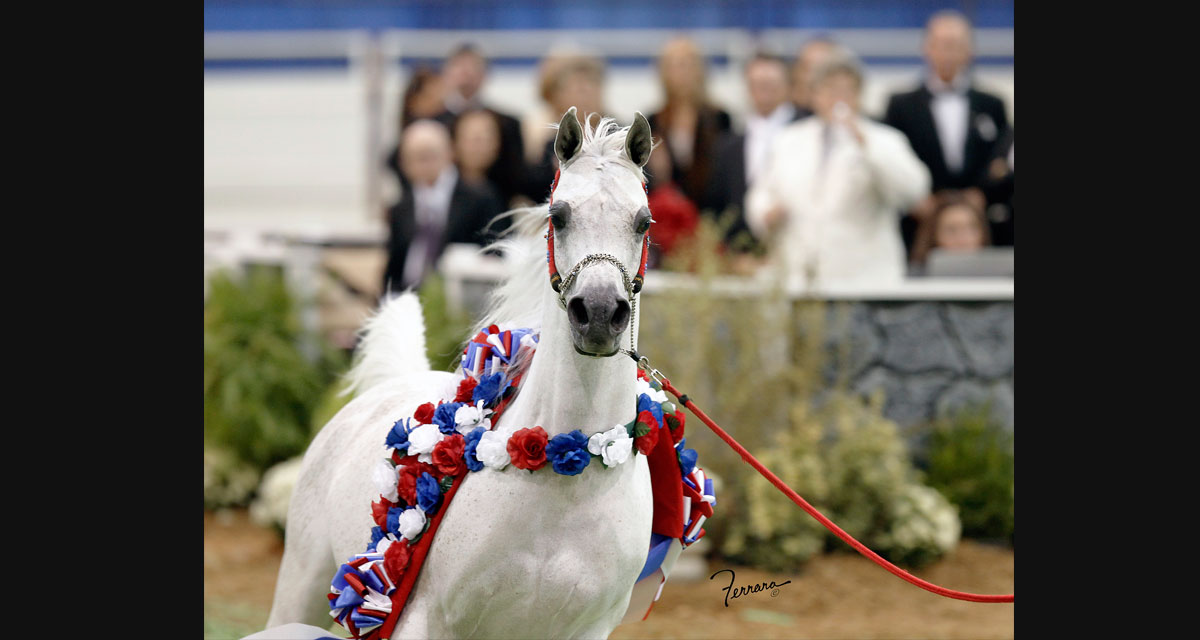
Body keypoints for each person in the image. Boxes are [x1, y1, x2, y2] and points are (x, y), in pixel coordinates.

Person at [745, 48, 931, 288]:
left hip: (863, 282)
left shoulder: (883, 139)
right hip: (800, 280)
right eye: (829, 89)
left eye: (846, 90)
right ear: (814, 95)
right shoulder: (788, 139)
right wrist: (765, 213)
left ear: (859, 94)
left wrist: (865, 143)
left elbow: (914, 190)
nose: (837, 97)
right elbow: (761, 194)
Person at [883, 10, 1010, 255]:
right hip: (917, 227)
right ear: (926, 48)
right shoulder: (900, 105)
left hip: (979, 229)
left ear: (970, 50)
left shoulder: (992, 104)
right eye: (942, 44)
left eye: (957, 44)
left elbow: (1001, 158)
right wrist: (918, 200)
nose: (949, 52)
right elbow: (893, 159)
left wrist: (981, 195)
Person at [382, 120, 504, 294]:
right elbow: (393, 266)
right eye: (414, 158)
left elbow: (495, 253)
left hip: (458, 294)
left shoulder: (479, 197)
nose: (423, 164)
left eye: (429, 155)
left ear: (449, 153)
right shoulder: (402, 206)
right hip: (406, 296)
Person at [705, 52, 798, 251]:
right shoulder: (728, 147)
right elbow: (718, 209)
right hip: (743, 261)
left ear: (788, 86)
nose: (764, 91)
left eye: (771, 84)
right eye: (757, 84)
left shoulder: (808, 133)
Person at [427, 44, 526, 209]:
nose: (467, 74)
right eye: (460, 67)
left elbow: (517, 176)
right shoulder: (431, 125)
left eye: (473, 67)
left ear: (485, 74)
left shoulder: (507, 124)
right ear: (446, 73)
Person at [647, 37, 732, 210]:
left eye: (687, 65)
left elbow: (727, 174)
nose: (681, 73)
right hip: (668, 220)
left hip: (711, 216)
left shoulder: (720, 119)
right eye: (674, 66)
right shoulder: (653, 122)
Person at [521, 53, 609, 203]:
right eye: (579, 89)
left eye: (592, 86)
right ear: (559, 97)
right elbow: (533, 191)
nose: (586, 95)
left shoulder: (617, 135)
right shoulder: (550, 142)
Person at [909, 191, 992, 271]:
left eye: (971, 229)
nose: (963, 239)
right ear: (933, 236)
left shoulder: (997, 278)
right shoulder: (913, 279)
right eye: (952, 230)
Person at [452, 108, 505, 203]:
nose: (478, 147)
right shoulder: (444, 193)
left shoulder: (504, 190)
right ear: (455, 143)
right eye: (472, 139)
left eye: (485, 139)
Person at [790, 37, 837, 119]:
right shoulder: (785, 116)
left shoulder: (852, 120)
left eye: (821, 71)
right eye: (807, 69)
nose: (812, 78)